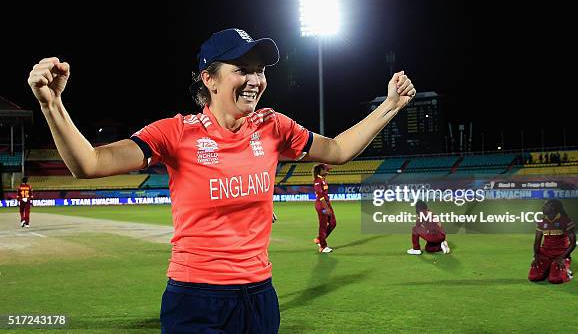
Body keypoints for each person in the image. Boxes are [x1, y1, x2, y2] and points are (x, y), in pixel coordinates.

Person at [27, 27, 416, 333]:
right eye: (242, 69)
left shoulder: (273, 126)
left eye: (260, 70)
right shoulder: (176, 133)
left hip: (260, 297)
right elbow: (90, 163)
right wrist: (52, 104)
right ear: (209, 79)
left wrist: (391, 105)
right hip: (196, 300)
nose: (255, 79)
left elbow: (337, 150)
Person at [529, 199, 576, 284]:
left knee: (555, 279)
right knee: (533, 277)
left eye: (546, 206)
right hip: (545, 253)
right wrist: (536, 256)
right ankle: (549, 268)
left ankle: (568, 274)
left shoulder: (565, 221)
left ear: (553, 208)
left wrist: (562, 257)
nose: (543, 207)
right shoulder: (541, 222)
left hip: (560, 254)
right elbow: (537, 242)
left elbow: (573, 243)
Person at [312, 163, 335, 253]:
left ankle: (319, 239)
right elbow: (320, 195)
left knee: (333, 223)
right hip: (322, 205)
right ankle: (323, 246)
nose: (328, 171)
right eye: (326, 169)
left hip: (327, 204)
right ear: (321, 171)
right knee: (323, 225)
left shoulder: (323, 179)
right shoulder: (318, 181)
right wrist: (326, 208)